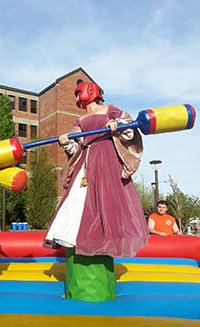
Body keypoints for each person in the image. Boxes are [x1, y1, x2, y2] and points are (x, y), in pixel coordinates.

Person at [44, 79, 149, 302]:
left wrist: (119, 128)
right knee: (78, 207)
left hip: (107, 163)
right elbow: (76, 146)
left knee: (106, 206)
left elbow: (130, 131)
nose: (77, 98)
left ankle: (101, 243)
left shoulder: (111, 110)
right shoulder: (80, 120)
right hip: (86, 164)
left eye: (78, 93)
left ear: (92, 91)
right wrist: (66, 142)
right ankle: (79, 242)